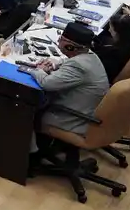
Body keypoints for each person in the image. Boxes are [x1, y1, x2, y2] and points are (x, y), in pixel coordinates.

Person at [32, 21, 111, 156]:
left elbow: (46, 83)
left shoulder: (78, 66)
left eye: (61, 39)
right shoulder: (90, 55)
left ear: (70, 47)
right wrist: (55, 64)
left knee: (27, 111)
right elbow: (71, 63)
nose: (58, 41)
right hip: (88, 111)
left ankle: (32, 155)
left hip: (72, 118)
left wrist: (38, 70)